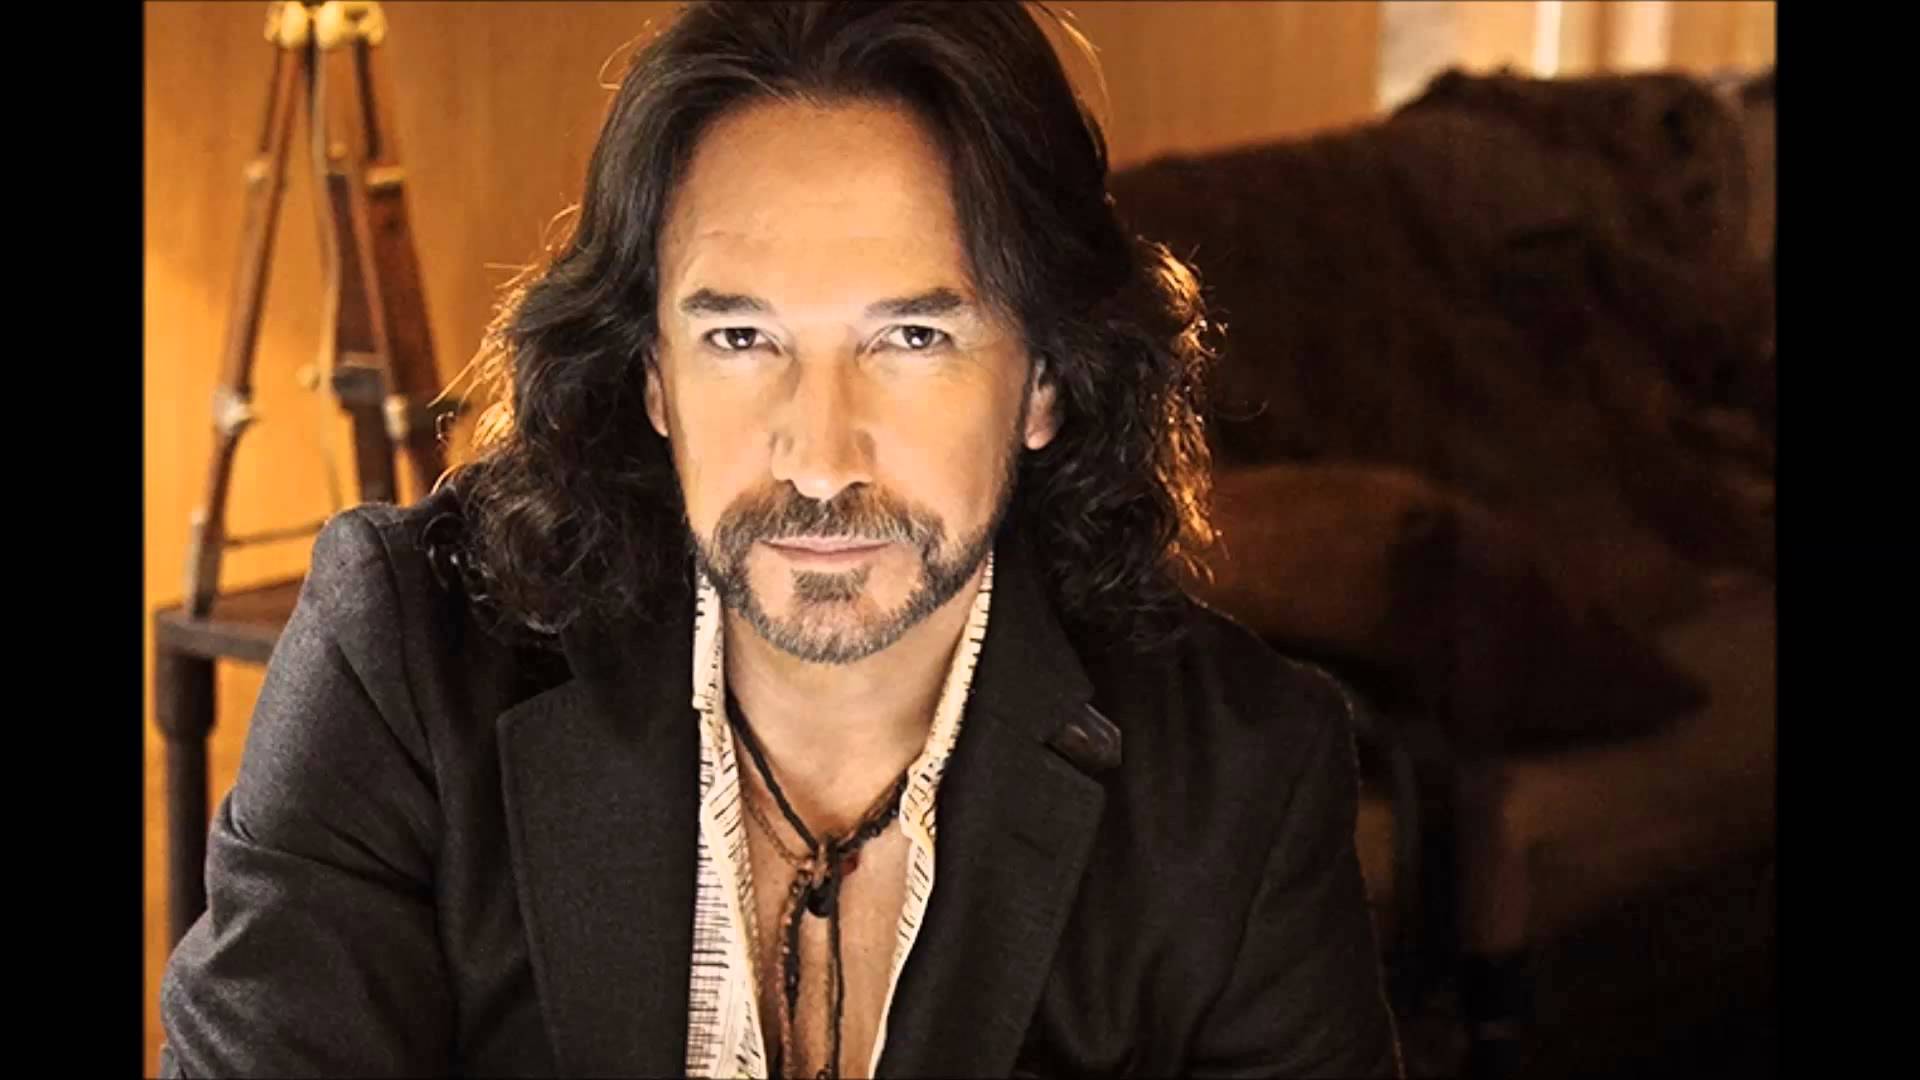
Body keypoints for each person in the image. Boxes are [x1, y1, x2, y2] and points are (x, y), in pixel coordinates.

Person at [158, 2, 1402, 1076]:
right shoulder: (401, 662)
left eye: (912, 338)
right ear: (653, 375)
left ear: (1044, 379)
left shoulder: (1243, 783)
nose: (818, 458)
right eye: (741, 338)